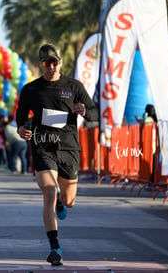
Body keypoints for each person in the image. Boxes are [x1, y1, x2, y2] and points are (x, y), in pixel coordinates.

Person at [15, 43, 99, 266]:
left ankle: (63, 201)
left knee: (68, 201)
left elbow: (94, 112)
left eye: (54, 63)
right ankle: (55, 247)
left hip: (68, 147)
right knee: (49, 191)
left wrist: (84, 110)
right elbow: (21, 115)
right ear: (41, 65)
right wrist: (21, 128)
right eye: (46, 63)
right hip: (42, 146)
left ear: (60, 62)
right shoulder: (31, 90)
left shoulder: (73, 86)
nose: (50, 67)